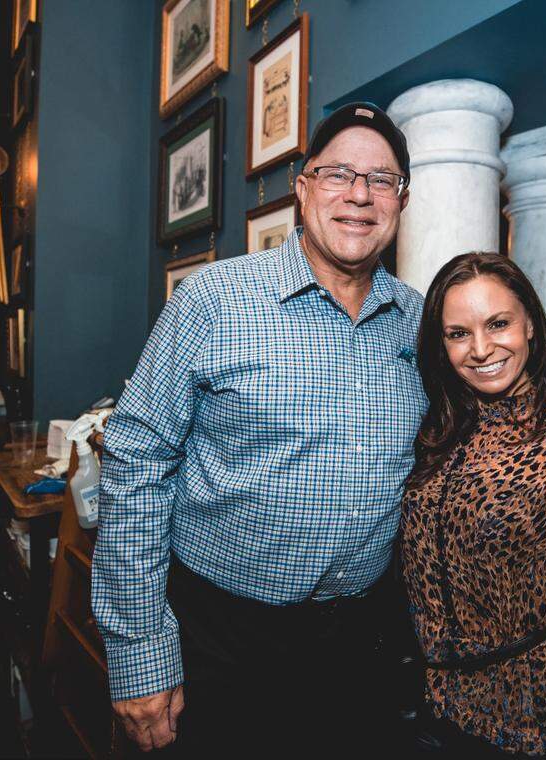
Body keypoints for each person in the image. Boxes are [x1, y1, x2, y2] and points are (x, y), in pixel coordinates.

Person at [91, 102, 427, 758]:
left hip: (362, 645)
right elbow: (136, 461)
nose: (360, 195)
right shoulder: (212, 300)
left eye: (381, 180)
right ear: (302, 189)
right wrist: (139, 654)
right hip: (222, 641)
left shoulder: (416, 320)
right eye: (338, 174)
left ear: (401, 202)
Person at [399, 253, 546, 759]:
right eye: (458, 333)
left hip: (527, 733)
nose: (481, 349)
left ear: (529, 322)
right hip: (427, 716)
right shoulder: (438, 435)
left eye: (498, 323)